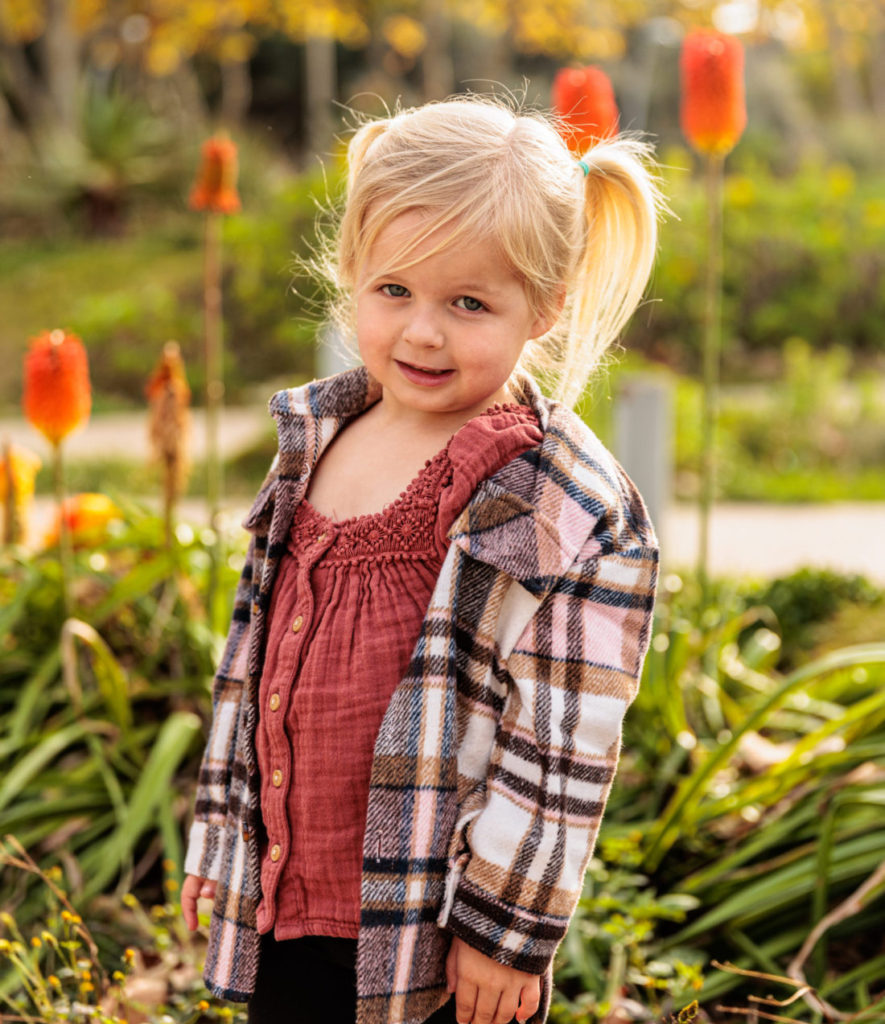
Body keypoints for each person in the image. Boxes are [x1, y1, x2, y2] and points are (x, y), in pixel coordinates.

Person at [181, 96, 662, 1024]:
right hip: (289, 899)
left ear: (547, 309)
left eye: (469, 303)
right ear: (351, 272)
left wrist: (501, 932)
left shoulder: (560, 499)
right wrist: (220, 831)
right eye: (393, 290)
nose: (423, 332)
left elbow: (561, 750)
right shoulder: (316, 439)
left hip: (428, 934)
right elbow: (249, 662)